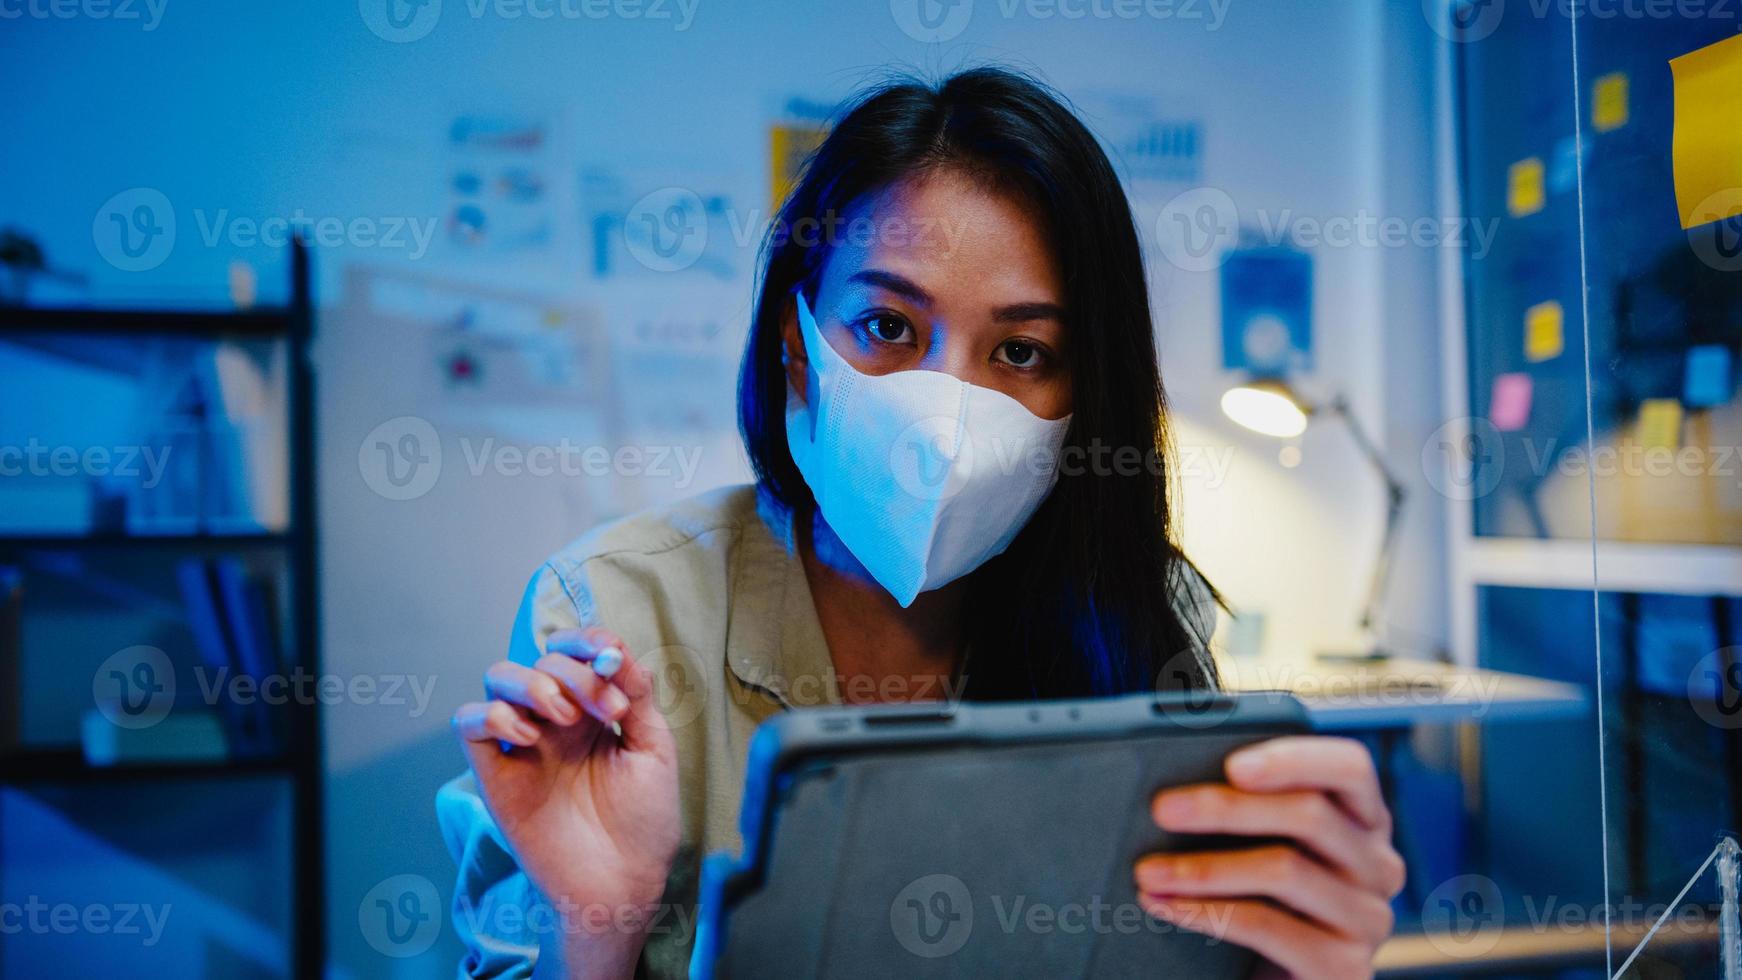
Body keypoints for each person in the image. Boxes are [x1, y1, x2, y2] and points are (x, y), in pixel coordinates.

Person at [438, 66, 1404, 980]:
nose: (945, 418)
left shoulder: (1131, 621)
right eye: (890, 329)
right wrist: (596, 925)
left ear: (1086, 395)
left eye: (1021, 351)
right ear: (797, 345)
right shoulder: (615, 613)